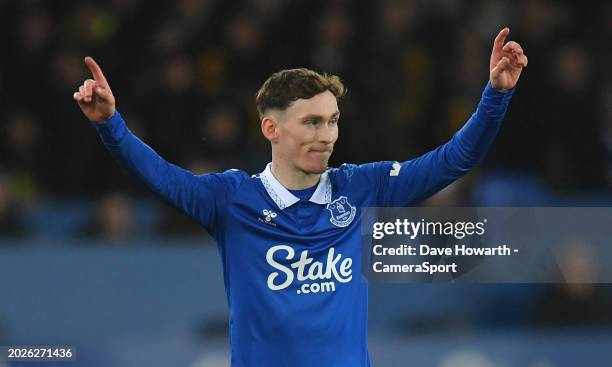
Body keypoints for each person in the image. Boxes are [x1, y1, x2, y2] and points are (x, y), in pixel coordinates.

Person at [73, 27, 527, 367]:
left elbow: (453, 161)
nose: (327, 135)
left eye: (332, 121)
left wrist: (496, 95)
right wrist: (110, 125)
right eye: (312, 122)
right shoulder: (231, 200)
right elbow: (160, 177)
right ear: (272, 128)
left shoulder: (361, 187)